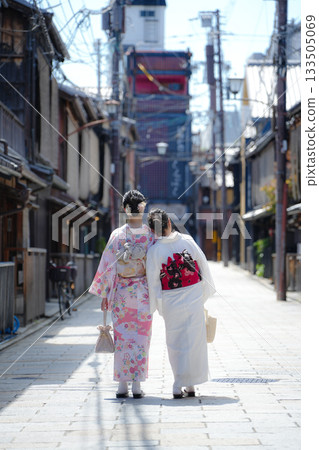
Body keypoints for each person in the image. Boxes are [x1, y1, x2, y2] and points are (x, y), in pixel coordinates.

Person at [89, 190, 155, 399]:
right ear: (143, 208)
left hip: (121, 293)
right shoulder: (150, 235)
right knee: (141, 339)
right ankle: (136, 385)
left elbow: (107, 266)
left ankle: (122, 385)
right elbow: (155, 265)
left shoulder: (117, 235)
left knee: (123, 338)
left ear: (125, 209)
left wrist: (104, 295)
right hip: (143, 292)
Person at [146, 208, 216, 399]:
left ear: (153, 231)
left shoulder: (154, 251)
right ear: (169, 223)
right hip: (192, 293)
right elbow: (202, 265)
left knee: (175, 342)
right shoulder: (187, 241)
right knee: (194, 340)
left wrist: (157, 305)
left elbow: (153, 281)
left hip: (170, 298)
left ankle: (178, 384)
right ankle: (191, 384)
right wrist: (203, 292)